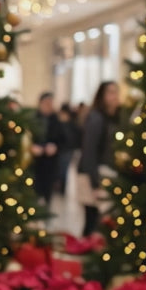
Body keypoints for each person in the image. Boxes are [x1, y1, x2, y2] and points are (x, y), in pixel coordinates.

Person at [76, 80, 120, 237]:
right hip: (92, 175)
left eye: (116, 92)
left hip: (103, 174)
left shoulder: (112, 118)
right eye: (110, 92)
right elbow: (89, 151)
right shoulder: (96, 118)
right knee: (92, 221)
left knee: (98, 221)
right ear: (102, 96)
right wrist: (95, 184)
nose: (114, 97)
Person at [31, 91, 64, 205]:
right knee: (35, 190)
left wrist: (55, 147)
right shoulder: (33, 119)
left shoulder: (56, 120)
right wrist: (32, 147)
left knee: (47, 190)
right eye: (46, 103)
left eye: (50, 103)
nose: (48, 105)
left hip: (50, 162)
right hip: (35, 162)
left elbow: (63, 140)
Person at [55, 102, 80, 196]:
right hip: (61, 149)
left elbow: (73, 137)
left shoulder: (71, 124)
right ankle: (58, 187)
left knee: (63, 170)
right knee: (59, 169)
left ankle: (62, 189)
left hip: (67, 150)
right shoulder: (59, 123)